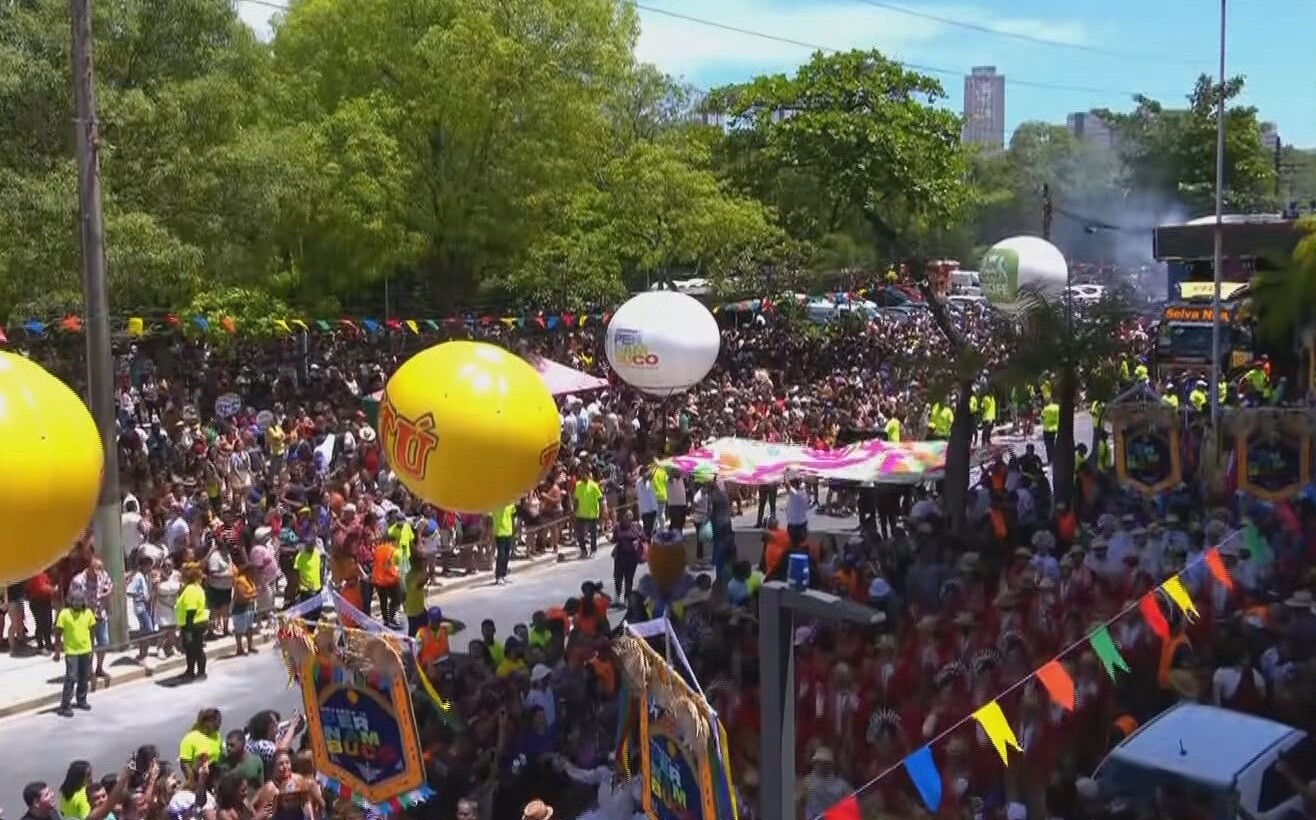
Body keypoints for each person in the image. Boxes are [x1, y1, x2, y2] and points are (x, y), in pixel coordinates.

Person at [52, 589, 97, 717]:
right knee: (71, 677)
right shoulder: (64, 614)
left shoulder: (88, 613)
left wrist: (92, 647)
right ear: (70, 601)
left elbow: (92, 630)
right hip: (71, 651)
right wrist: (57, 651)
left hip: (86, 649)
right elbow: (58, 633)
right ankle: (65, 706)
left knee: (84, 676)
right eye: (76, 601)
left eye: (81, 601)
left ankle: (81, 700)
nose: (78, 603)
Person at [176, 563, 210, 682]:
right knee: (189, 649)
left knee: (196, 649)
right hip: (192, 624)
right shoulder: (194, 587)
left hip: (194, 624)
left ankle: (201, 673)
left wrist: (188, 631)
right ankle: (190, 671)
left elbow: (191, 610)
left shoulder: (191, 589)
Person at [611, 509, 645, 604]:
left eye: (628, 517)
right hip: (620, 556)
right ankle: (617, 597)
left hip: (632, 556)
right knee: (618, 577)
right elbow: (614, 540)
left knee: (629, 579)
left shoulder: (636, 526)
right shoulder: (618, 527)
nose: (626, 519)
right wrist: (610, 538)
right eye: (625, 517)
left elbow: (644, 538)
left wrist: (637, 540)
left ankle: (627, 598)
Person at [179, 708, 224, 779]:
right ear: (207, 722)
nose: (219, 724)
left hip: (215, 778)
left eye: (220, 721)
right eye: (217, 722)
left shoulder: (216, 735)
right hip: (199, 779)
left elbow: (220, 755)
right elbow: (184, 764)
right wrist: (192, 780)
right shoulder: (190, 738)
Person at [573, 467, 605, 559]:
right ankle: (583, 551)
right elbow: (576, 499)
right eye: (581, 474)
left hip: (592, 513)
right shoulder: (578, 485)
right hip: (580, 513)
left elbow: (600, 499)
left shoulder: (594, 485)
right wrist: (574, 512)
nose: (583, 476)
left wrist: (602, 511)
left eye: (584, 474)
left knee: (593, 534)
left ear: (588, 475)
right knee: (580, 534)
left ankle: (593, 550)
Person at [230, 562, 259, 657]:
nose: (255, 573)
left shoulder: (249, 580)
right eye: (253, 571)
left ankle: (250, 646)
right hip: (240, 609)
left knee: (249, 628)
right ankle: (239, 648)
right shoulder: (240, 581)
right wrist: (254, 595)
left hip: (250, 608)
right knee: (239, 630)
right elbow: (242, 596)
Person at [492, 501, 517, 586]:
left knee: (506, 554)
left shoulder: (510, 504)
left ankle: (503, 574)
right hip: (499, 532)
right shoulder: (495, 505)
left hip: (508, 532)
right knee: (501, 554)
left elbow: (513, 517)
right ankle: (498, 576)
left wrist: (514, 530)